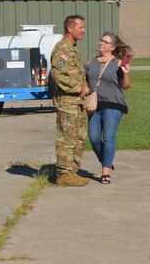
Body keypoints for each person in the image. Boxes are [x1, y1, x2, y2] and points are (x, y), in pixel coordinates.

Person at [85, 32, 131, 184]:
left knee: (109, 137)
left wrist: (125, 74)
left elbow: (126, 87)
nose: (101, 43)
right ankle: (107, 160)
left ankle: (106, 170)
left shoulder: (118, 63)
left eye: (104, 41)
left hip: (113, 104)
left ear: (112, 47)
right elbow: (84, 81)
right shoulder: (91, 62)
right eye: (101, 40)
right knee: (94, 137)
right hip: (94, 105)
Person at [51, 15, 90, 186]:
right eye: (80, 27)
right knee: (66, 138)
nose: (83, 30)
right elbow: (58, 74)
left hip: (77, 103)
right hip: (67, 103)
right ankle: (64, 174)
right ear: (70, 28)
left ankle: (73, 171)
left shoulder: (73, 49)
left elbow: (78, 73)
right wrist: (78, 88)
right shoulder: (62, 49)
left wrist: (85, 85)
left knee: (78, 137)